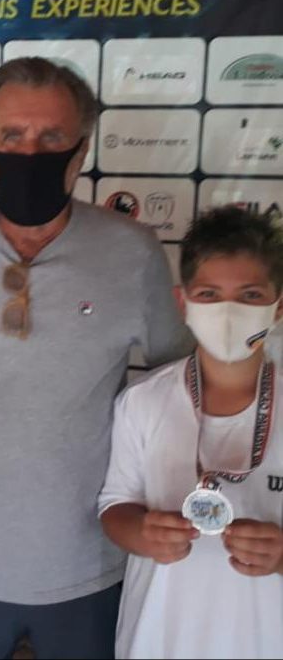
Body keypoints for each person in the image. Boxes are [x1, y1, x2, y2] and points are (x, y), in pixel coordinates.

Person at [0, 56, 191, 660]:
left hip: (91, 564)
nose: (31, 152)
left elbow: (179, 389)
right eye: (12, 136)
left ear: (80, 152)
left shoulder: (133, 251)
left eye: (52, 137)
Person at [99, 206, 283, 659]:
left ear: (278, 305)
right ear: (183, 304)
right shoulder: (142, 401)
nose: (228, 312)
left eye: (250, 295)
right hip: (159, 635)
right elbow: (114, 507)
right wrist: (142, 533)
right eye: (209, 294)